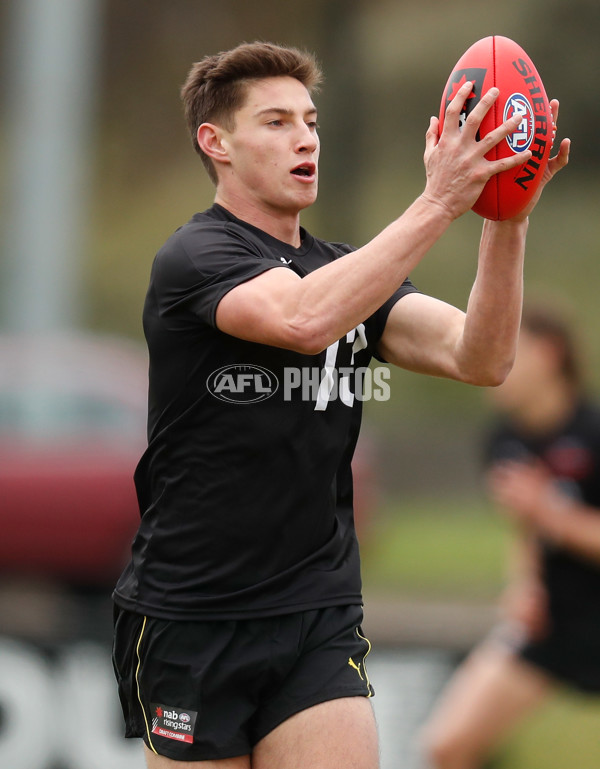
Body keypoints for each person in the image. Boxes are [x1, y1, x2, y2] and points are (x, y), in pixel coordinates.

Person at [111, 41, 569, 769]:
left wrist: (504, 217)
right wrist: (438, 200)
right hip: (194, 613)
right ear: (216, 143)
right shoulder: (197, 257)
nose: (304, 138)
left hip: (316, 613)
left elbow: (481, 357)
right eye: (276, 122)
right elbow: (300, 320)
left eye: (312, 122)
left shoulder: (345, 272)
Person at [421, 304, 600, 769]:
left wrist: (550, 511)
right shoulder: (503, 440)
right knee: (446, 746)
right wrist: (525, 584)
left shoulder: (594, 431)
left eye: (508, 343)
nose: (490, 353)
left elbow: (544, 516)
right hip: (555, 623)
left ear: (549, 354)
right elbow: (526, 531)